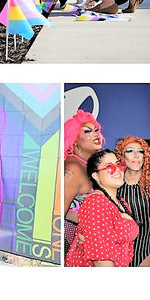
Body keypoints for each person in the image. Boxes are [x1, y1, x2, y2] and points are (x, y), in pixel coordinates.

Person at [65, 149, 139, 267]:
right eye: (109, 167)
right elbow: (101, 260)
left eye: (118, 165)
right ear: (96, 176)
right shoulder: (96, 202)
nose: (118, 170)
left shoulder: (122, 202)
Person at [114, 135, 150, 266]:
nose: (136, 155)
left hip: (149, 252)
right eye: (130, 151)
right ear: (121, 156)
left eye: (140, 151)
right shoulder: (114, 186)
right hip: (120, 253)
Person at [63, 110, 104, 256]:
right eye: (87, 131)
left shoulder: (87, 166)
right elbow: (58, 214)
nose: (95, 134)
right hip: (74, 246)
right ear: (73, 140)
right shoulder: (73, 169)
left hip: (91, 246)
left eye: (96, 130)